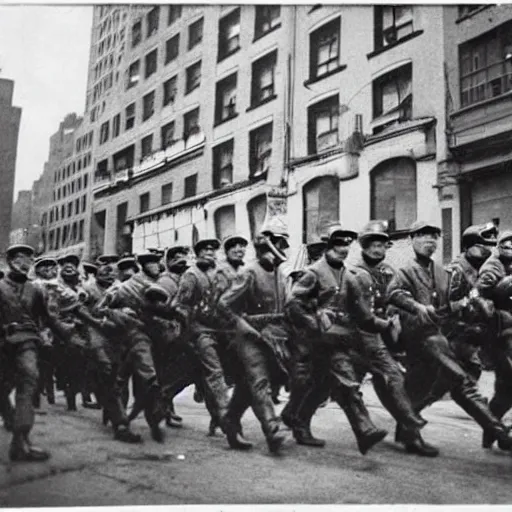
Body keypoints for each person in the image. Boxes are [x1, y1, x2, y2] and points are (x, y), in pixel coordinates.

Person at [388, 220, 512, 456]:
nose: (487, 250)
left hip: (466, 341)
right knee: (459, 387)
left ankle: (406, 426)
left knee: (439, 390)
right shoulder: (454, 271)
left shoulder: (476, 270)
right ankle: (500, 434)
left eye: (490, 246)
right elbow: (447, 309)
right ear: (468, 246)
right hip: (450, 340)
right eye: (481, 246)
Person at [285, 224, 391, 455]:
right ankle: (364, 431)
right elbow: (293, 305)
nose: (343, 249)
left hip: (339, 340)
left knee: (321, 387)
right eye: (337, 244)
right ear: (327, 247)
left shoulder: (349, 277)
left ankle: (295, 418)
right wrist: (315, 322)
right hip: (317, 342)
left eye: (346, 244)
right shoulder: (313, 273)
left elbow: (363, 315)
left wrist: (386, 325)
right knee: (348, 383)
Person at [219, 222, 293, 454]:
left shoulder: (280, 275)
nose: (283, 250)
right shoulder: (250, 272)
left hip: (273, 336)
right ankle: (273, 430)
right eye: (278, 245)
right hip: (248, 335)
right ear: (265, 248)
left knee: (249, 384)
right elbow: (223, 304)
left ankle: (230, 419)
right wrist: (242, 325)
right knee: (259, 381)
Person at [0, 244, 56, 461]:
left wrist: (55, 334)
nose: (24, 263)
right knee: (3, 387)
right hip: (2, 342)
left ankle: (20, 439)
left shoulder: (36, 290)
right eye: (19, 259)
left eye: (28, 260)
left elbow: (47, 318)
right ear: (10, 261)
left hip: (27, 342)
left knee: (28, 378)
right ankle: (12, 421)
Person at [172, 237, 232, 438]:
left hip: (219, 331)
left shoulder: (218, 273)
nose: (209, 253)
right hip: (198, 331)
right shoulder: (191, 275)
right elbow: (180, 306)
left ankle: (216, 418)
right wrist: (188, 331)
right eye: (204, 250)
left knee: (200, 376)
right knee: (214, 373)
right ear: (197, 255)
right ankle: (226, 419)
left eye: (212, 250)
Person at [475, 229, 512, 449]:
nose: (510, 248)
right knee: (507, 385)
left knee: (506, 390)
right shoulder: (492, 266)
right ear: (498, 246)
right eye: (506, 244)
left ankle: (491, 431)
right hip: (501, 334)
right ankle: (493, 430)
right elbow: (483, 291)